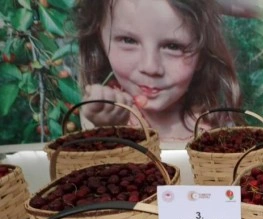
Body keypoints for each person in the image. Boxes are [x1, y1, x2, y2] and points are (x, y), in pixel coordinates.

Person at [74, 0, 242, 142]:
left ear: (202, 55)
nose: (150, 67)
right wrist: (109, 131)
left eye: (173, 46)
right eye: (128, 40)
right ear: (101, 41)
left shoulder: (216, 122)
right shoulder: (101, 110)